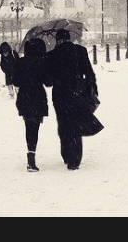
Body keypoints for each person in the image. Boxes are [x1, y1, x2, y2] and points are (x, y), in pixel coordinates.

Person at [46, 29, 103, 171]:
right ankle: (75, 159)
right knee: (76, 123)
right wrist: (93, 89)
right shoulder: (80, 51)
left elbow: (48, 81)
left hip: (60, 94)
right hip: (78, 92)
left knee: (63, 122)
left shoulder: (51, 55)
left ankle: (66, 153)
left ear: (57, 39)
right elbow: (89, 73)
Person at [13, 37, 52, 172]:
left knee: (28, 125)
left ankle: (30, 156)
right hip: (37, 96)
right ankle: (31, 157)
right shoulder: (42, 62)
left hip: (24, 96)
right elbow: (48, 82)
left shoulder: (20, 62)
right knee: (34, 127)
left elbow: (16, 82)